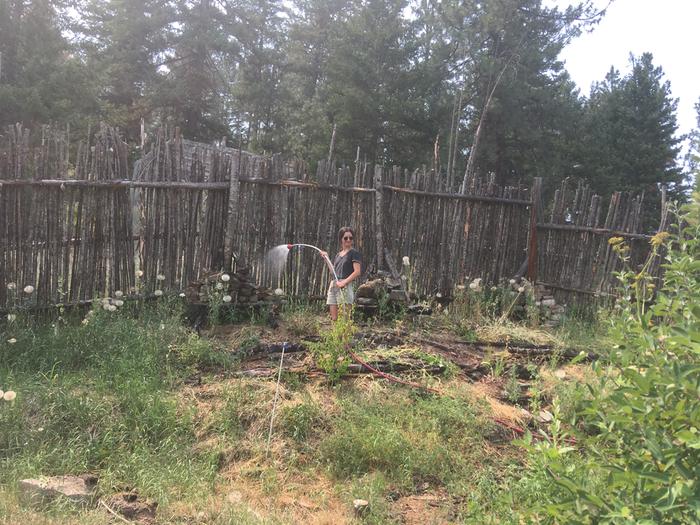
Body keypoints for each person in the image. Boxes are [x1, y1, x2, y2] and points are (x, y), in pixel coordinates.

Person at [321, 227, 362, 321]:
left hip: (345, 287)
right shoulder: (338, 255)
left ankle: (345, 336)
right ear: (341, 239)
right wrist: (326, 258)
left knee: (344, 319)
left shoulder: (354, 253)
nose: (348, 240)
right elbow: (333, 272)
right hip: (334, 285)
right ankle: (336, 336)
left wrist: (344, 282)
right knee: (334, 318)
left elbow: (357, 272)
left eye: (351, 238)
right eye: (345, 238)